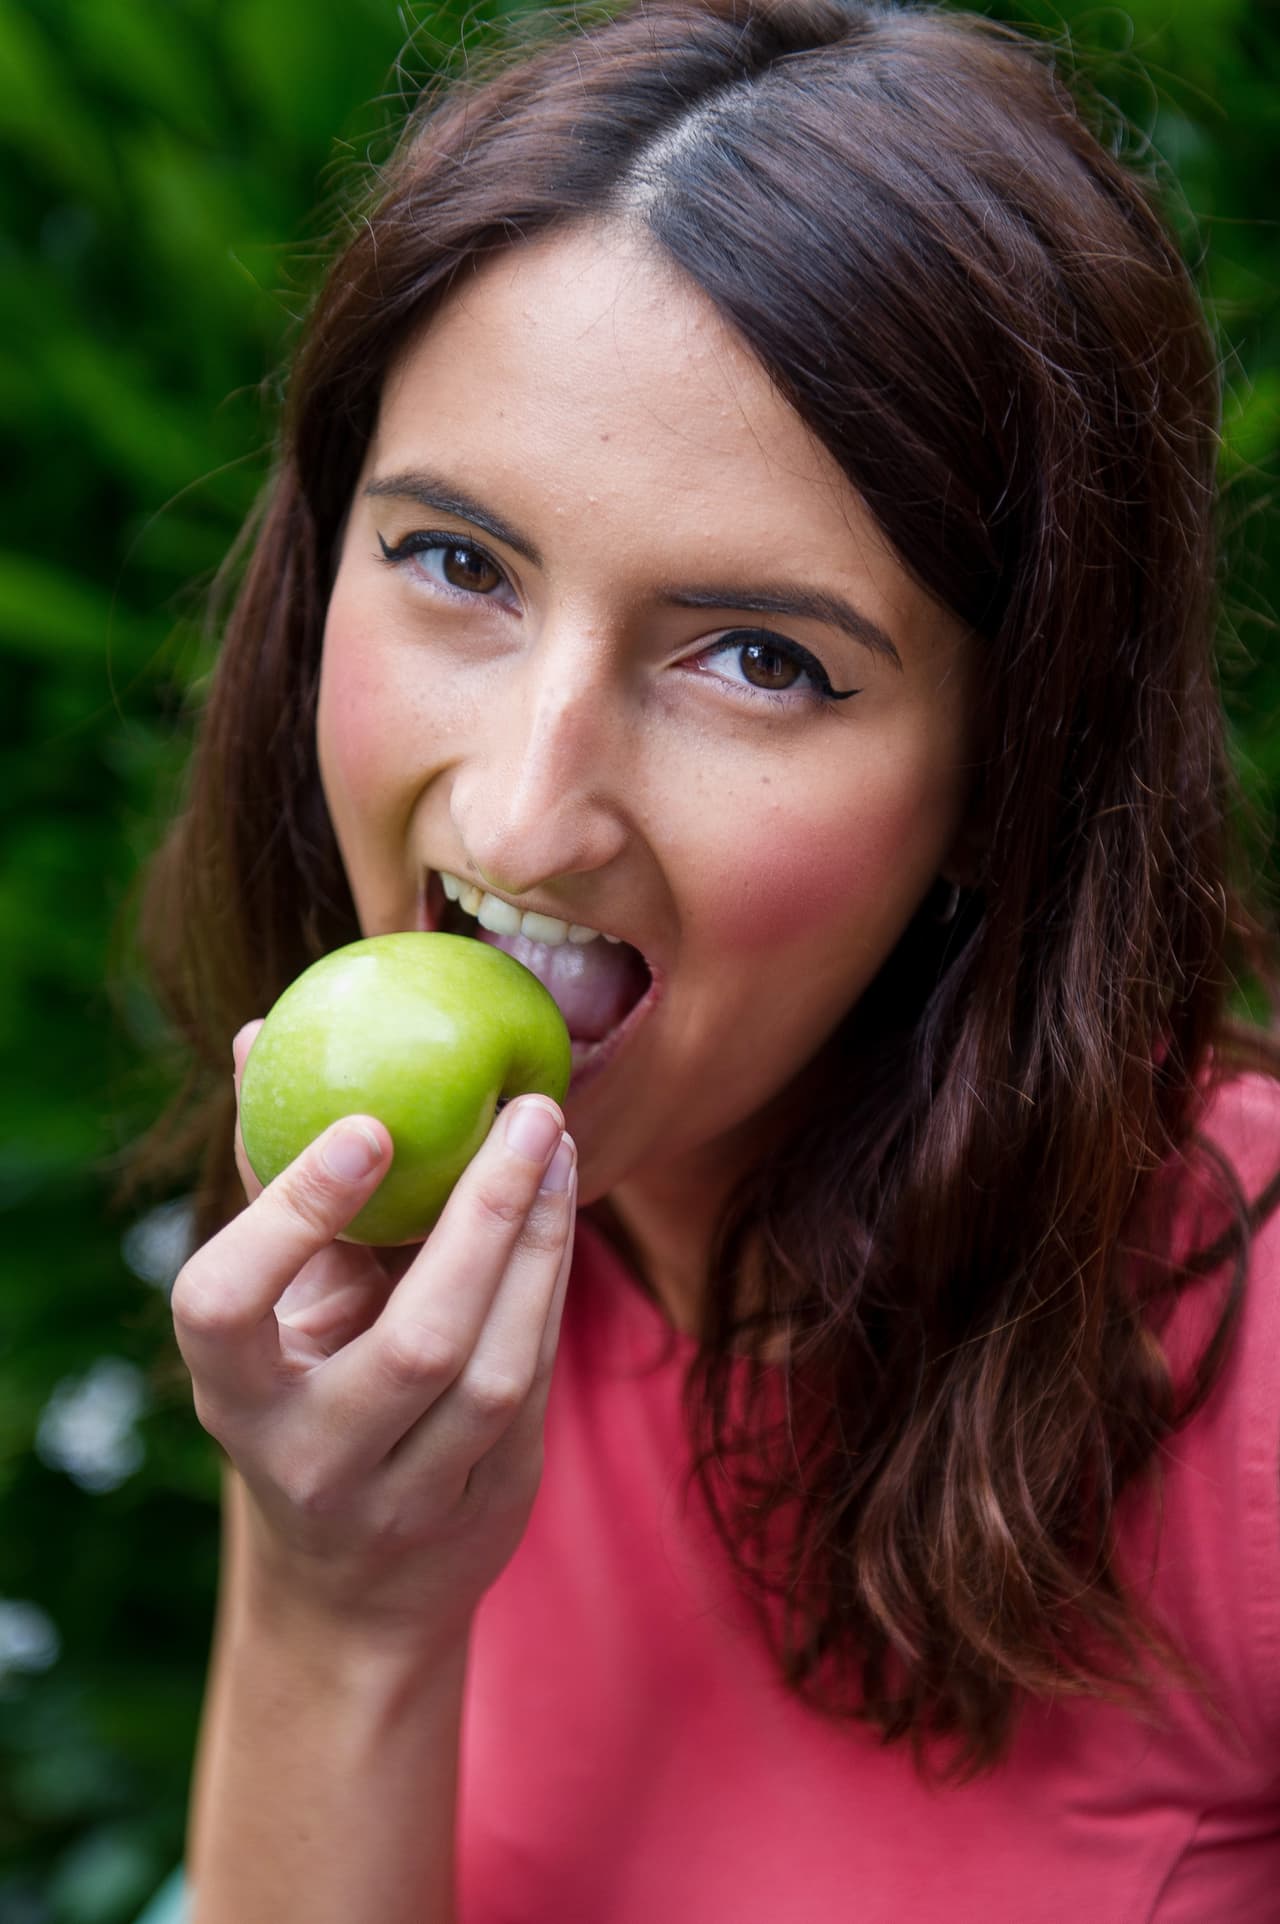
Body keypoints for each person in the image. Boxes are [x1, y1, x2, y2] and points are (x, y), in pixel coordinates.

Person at [134, 0, 1280, 1917]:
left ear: (1008, 769)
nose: (520, 820)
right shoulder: (383, 1296)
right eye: (459, 564)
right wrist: (341, 1601)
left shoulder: (1246, 1369)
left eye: (759, 659)